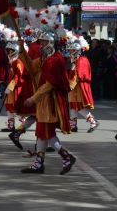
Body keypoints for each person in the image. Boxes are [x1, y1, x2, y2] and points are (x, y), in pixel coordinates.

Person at [21, 27, 76, 174]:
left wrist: (33, 98)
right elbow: (31, 68)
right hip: (44, 100)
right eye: (41, 41)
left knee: (46, 132)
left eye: (44, 41)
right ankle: (39, 163)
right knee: (42, 132)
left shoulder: (55, 60)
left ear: (51, 42)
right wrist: (22, 53)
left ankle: (66, 156)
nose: (42, 44)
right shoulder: (45, 58)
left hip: (51, 100)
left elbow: (50, 84)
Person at [67, 34, 98, 133]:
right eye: (70, 50)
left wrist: (69, 86)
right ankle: (73, 125)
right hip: (74, 87)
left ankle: (93, 122)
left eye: (72, 50)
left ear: (77, 51)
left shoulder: (82, 60)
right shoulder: (76, 60)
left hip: (79, 87)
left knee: (79, 107)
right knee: (73, 106)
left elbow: (79, 75)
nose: (70, 52)